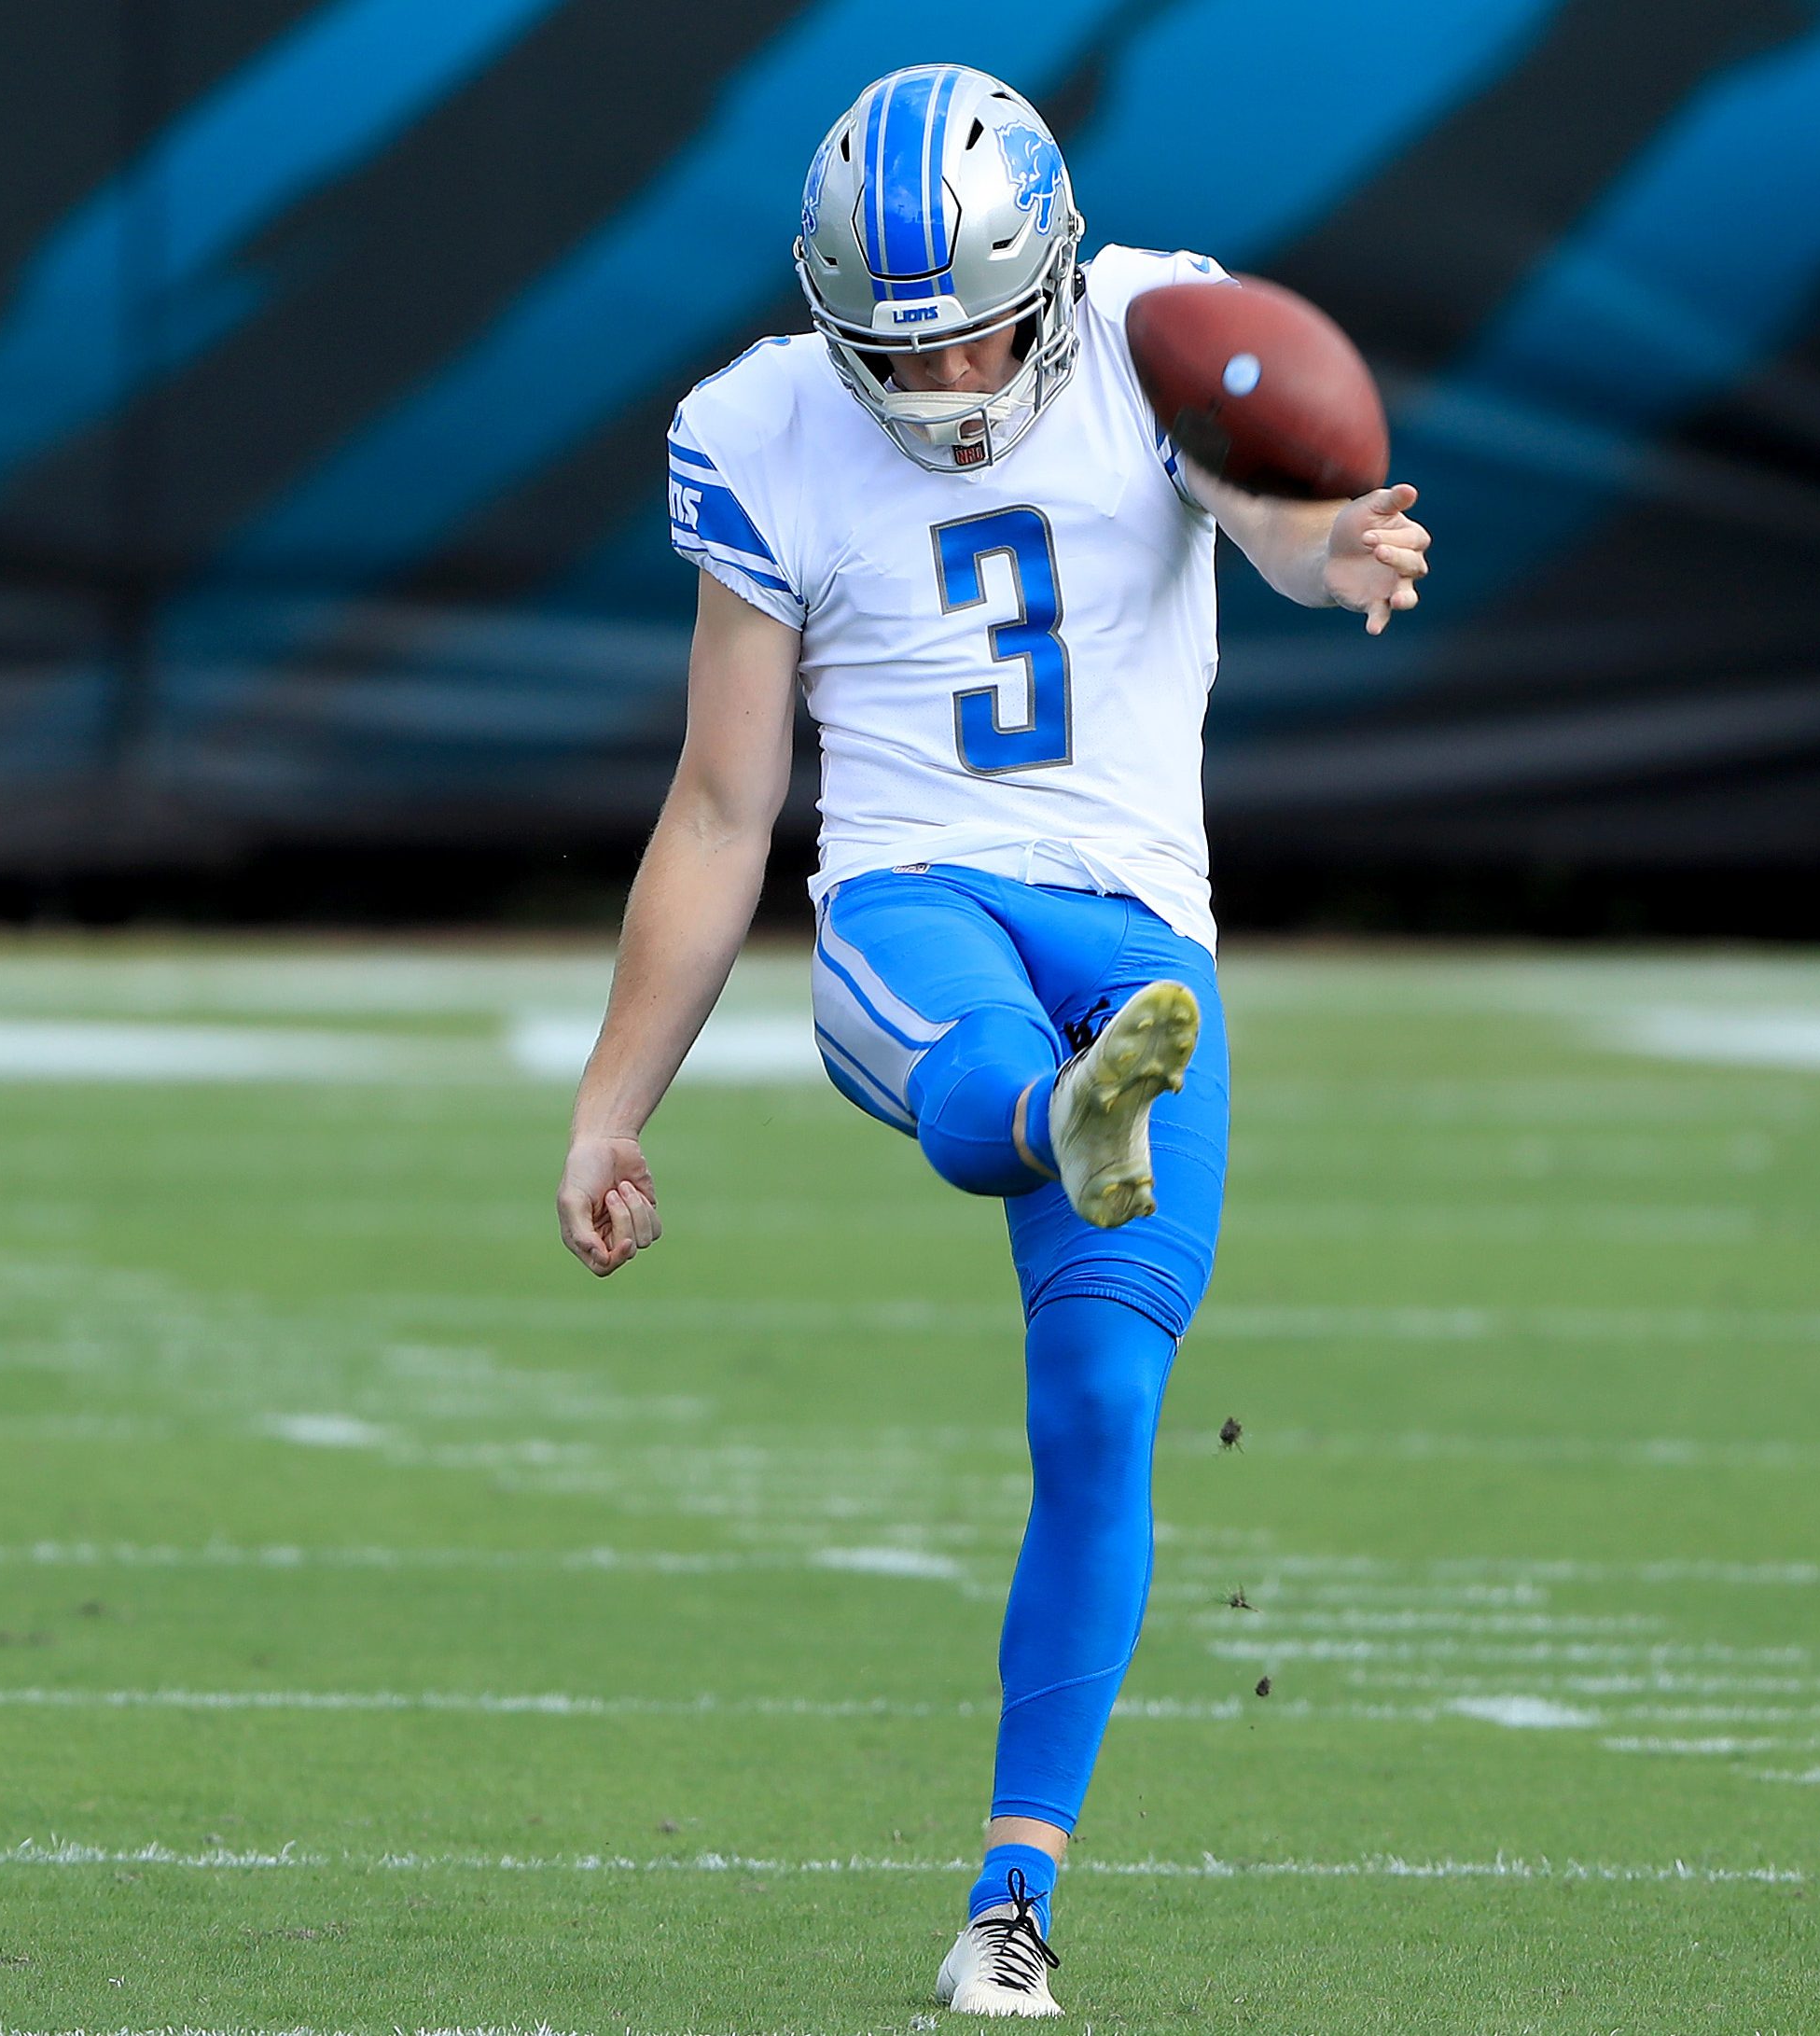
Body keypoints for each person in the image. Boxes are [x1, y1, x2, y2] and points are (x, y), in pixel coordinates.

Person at [552, 62, 1428, 2019]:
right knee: (968, 1085)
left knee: (1104, 1409)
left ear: (1049, 267)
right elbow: (718, 805)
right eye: (893, 353)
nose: (938, 392)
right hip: (915, 897)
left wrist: (1331, 543)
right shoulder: (766, 424)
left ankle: (1009, 1898)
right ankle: (1051, 1108)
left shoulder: (1155, 328)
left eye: (967, 343)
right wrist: (612, 1103)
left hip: (1133, 934)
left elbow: (1259, 517)